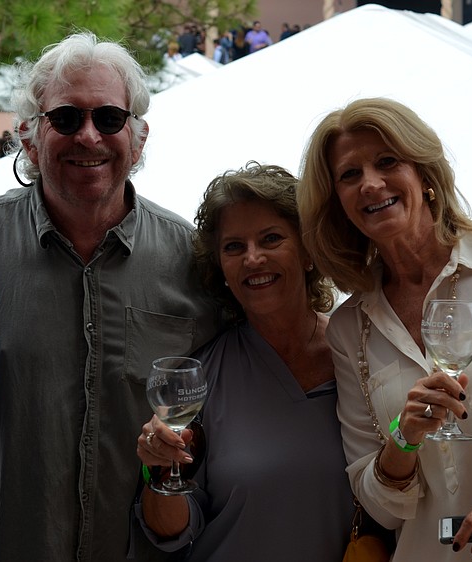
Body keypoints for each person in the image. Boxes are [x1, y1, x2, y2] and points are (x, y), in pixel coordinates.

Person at [0, 31, 222, 562]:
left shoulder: (193, 259)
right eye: (67, 118)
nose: (89, 137)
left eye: (109, 119)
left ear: (138, 138)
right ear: (29, 138)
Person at [297, 97, 472, 562]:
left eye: (387, 161)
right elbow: (380, 508)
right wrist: (404, 438)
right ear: (338, 202)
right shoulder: (351, 328)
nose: (370, 183)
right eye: (349, 175)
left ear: (425, 176)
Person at [135, 163, 354, 561]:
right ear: (220, 268)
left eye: (271, 239)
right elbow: (170, 532)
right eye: (234, 247)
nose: (253, 259)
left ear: (307, 250)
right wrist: (159, 471)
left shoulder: (359, 355)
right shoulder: (202, 376)